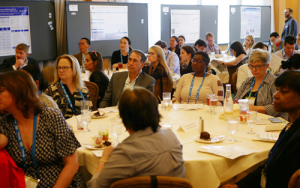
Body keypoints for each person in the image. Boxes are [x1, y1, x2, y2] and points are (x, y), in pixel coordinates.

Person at [87, 87, 186, 188]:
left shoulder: (125, 152)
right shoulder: (171, 137)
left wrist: (104, 158)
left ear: (124, 118)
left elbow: (94, 186)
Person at [0, 71, 85, 187]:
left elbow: (72, 164)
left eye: (1, 91)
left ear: (18, 90)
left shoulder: (51, 117)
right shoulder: (5, 123)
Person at [223, 70, 300, 188]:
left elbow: (281, 175)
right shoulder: (290, 126)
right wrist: (240, 186)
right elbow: (269, 168)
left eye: (283, 92)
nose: (275, 95)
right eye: (277, 89)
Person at [234, 49, 287, 120]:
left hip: (270, 123)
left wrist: (255, 108)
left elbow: (278, 107)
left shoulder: (275, 82)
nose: (254, 70)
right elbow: (236, 101)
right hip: (246, 119)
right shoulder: (247, 82)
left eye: (258, 66)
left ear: (267, 66)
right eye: (251, 66)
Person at [45, 54, 92, 119]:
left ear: (74, 69)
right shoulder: (51, 90)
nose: (61, 70)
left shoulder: (83, 90)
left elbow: (90, 111)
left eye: (65, 67)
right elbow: (47, 116)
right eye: (59, 67)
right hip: (62, 127)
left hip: (82, 125)